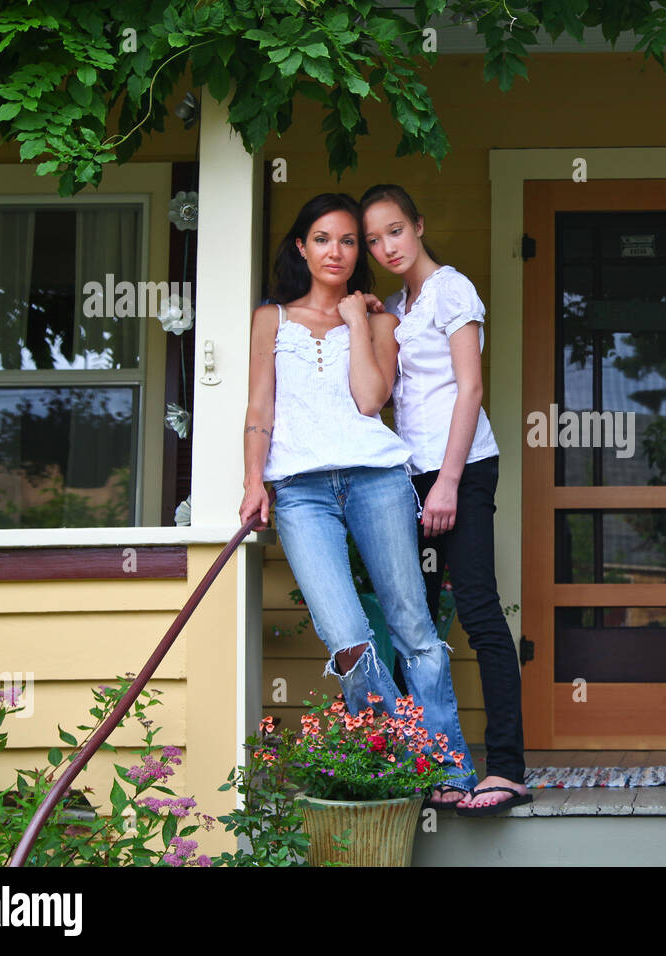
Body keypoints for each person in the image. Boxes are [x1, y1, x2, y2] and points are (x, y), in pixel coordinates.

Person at [238, 192, 475, 798]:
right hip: (299, 491)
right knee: (347, 637)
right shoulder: (271, 319)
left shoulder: (379, 321)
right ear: (301, 246)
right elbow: (259, 407)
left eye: (349, 240)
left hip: (376, 480)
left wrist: (354, 323)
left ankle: (448, 774)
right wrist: (251, 481)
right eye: (322, 238)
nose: (336, 251)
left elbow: (372, 400)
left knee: (413, 627)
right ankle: (417, 756)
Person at [358, 183, 531, 817]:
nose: (386, 246)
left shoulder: (452, 288)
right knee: (416, 624)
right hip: (410, 475)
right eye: (374, 239)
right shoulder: (402, 304)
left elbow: (471, 387)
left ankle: (507, 769)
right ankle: (434, 766)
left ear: (419, 225)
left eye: (395, 231)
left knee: (480, 610)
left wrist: (449, 483)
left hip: (462, 469)